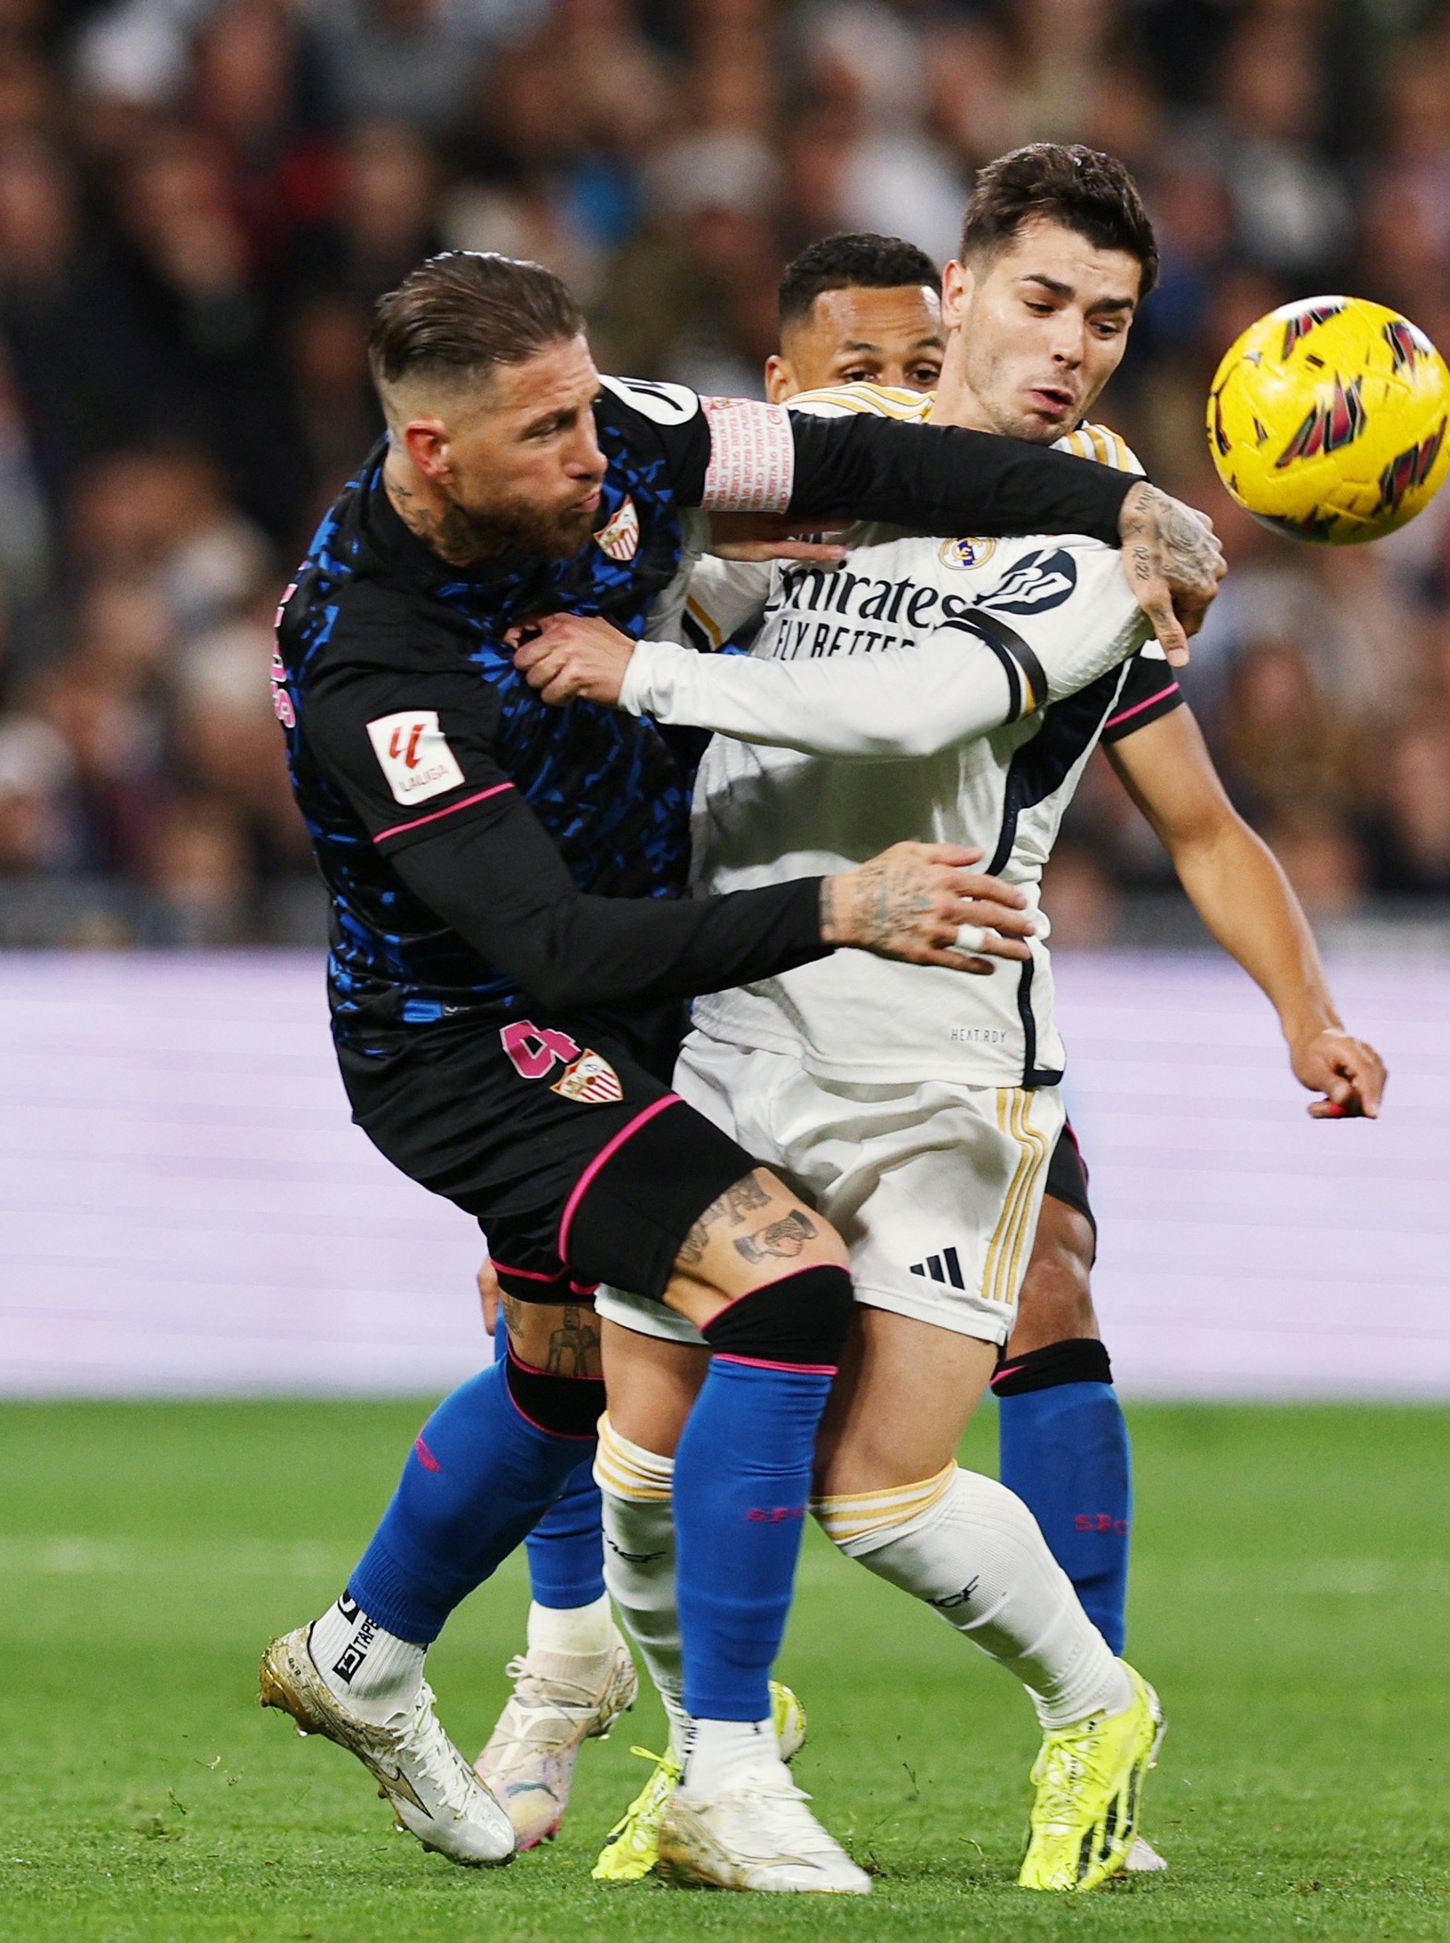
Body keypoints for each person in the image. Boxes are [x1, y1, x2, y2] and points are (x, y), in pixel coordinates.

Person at [252, 248, 1224, 1892]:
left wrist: (1095, 503)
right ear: (434, 454)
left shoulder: (616, 435)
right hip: (473, 1038)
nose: (595, 455)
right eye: (547, 432)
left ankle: (365, 1655)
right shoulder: (370, 655)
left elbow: (856, 461)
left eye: (588, 402)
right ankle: (720, 1765)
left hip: (642, 994)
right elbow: (549, 947)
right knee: (777, 1290)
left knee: (562, 1379)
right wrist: (842, 904)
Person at [514, 144, 1384, 1891]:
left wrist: (1306, 1006)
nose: (1068, 347)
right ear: (958, 291)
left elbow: (1142, 796)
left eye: (1110, 323)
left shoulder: (1104, 529)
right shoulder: (812, 467)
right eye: (1042, 302)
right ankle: (699, 1757)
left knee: (913, 1448)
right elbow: (641, 516)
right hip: (734, 1003)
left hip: (940, 1039)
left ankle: (1090, 1722)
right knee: (634, 1444)